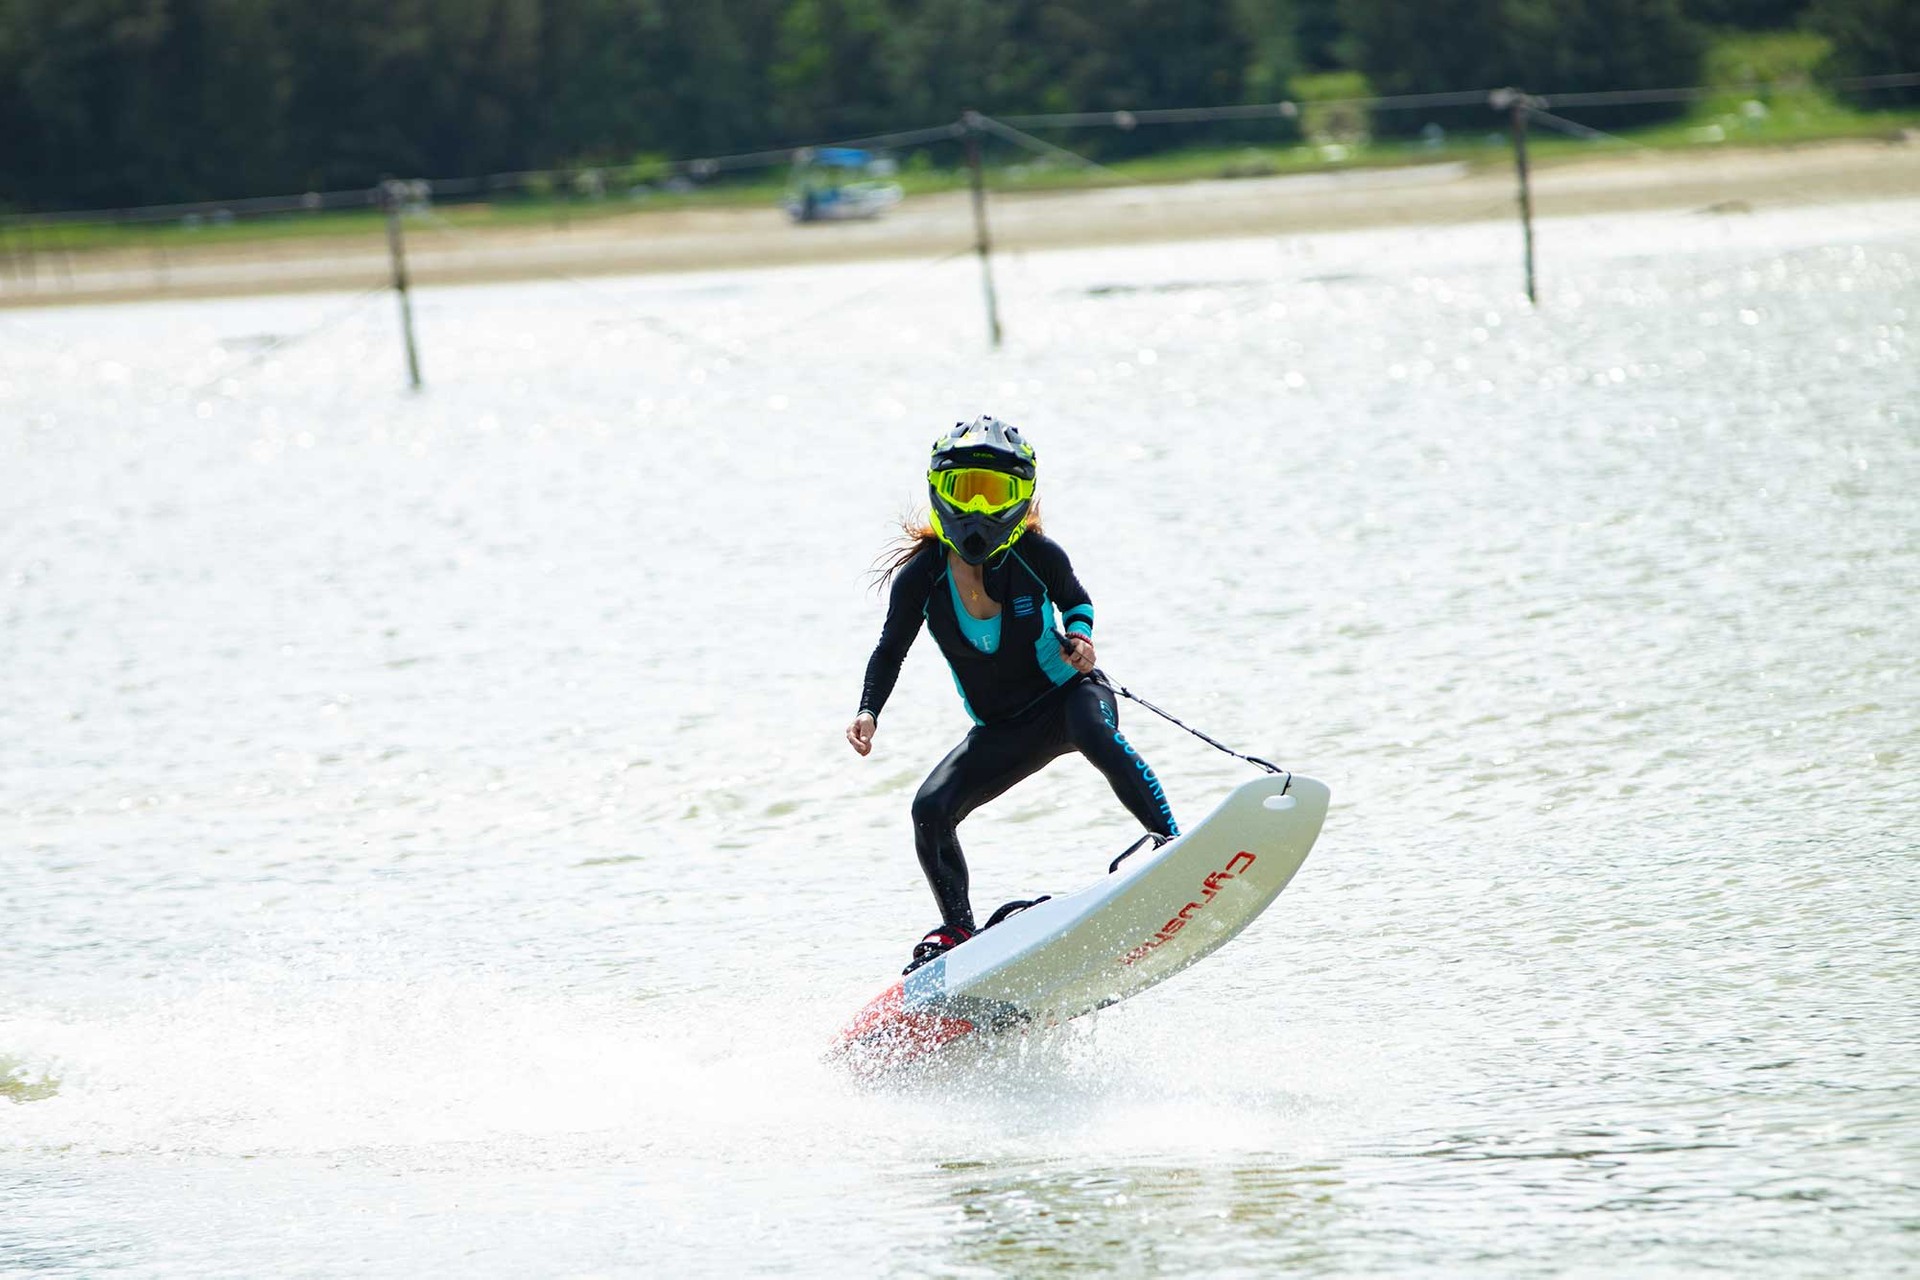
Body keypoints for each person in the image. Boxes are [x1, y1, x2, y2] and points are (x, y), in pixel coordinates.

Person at [845, 416, 1178, 974]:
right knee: (929, 809)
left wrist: (1082, 638)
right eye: (963, 490)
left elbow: (1078, 602)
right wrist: (867, 711)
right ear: (938, 492)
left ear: (1020, 497)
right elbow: (889, 651)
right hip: (1003, 729)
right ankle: (960, 931)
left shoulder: (1038, 553)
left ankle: (1170, 846)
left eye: (993, 492)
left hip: (1069, 698)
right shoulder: (921, 577)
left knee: (1096, 732)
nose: (976, 509)